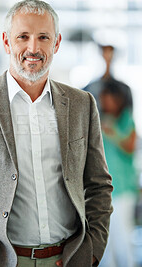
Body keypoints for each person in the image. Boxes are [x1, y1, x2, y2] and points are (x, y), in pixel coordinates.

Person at [0, 1, 113, 267]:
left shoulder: (82, 104)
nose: (33, 48)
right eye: (23, 37)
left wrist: (92, 250)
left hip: (68, 258)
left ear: (57, 43)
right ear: (6, 42)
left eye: (43, 37)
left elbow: (99, 185)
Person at [99, 81, 137, 267]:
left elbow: (130, 147)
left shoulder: (125, 120)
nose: (104, 101)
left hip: (122, 190)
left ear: (117, 98)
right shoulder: (98, 119)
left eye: (107, 97)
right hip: (104, 192)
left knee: (123, 240)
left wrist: (111, 132)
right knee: (106, 242)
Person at [83, 45, 133, 113]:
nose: (107, 58)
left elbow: (129, 115)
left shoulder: (125, 89)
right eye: (105, 54)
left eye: (110, 54)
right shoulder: (89, 89)